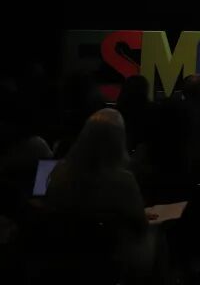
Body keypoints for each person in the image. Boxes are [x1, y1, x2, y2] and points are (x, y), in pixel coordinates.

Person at [45, 108, 155, 277]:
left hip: (63, 260)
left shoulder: (58, 172)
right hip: (110, 262)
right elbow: (140, 227)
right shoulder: (123, 181)